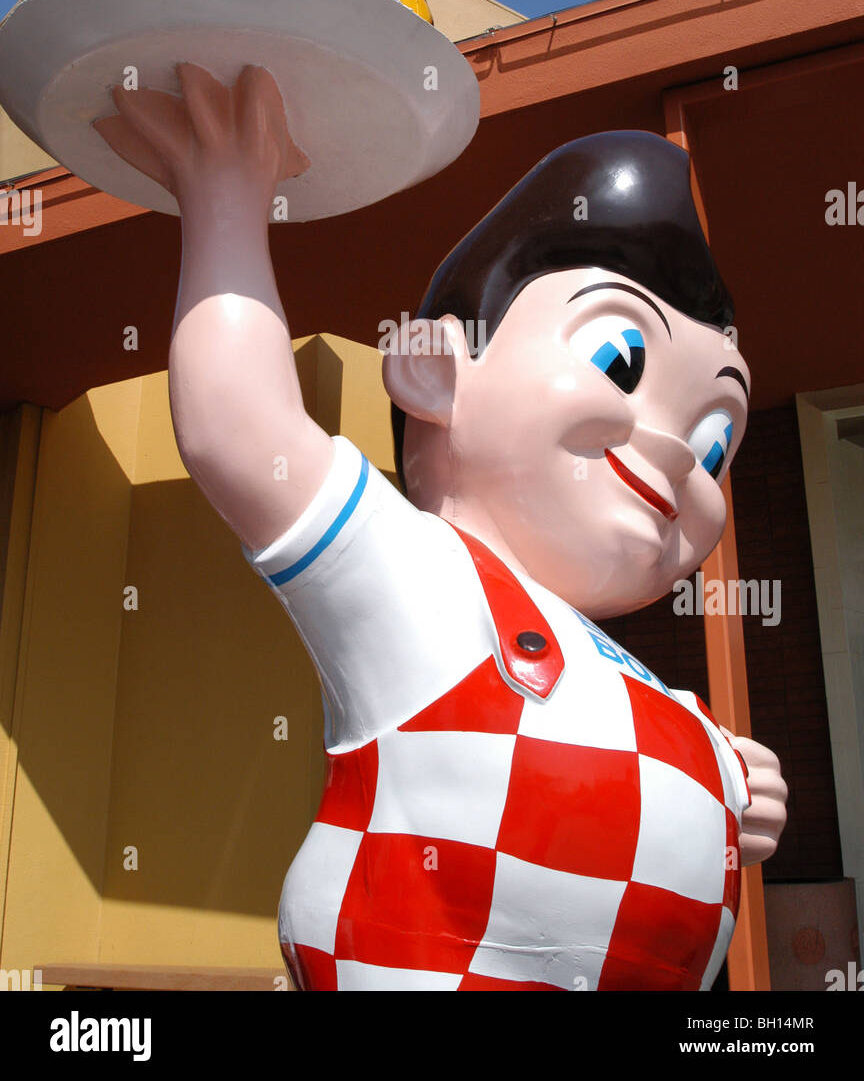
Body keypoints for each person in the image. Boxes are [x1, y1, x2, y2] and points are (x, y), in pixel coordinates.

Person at [94, 63, 788, 991]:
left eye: (715, 445)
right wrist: (226, 192)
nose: (673, 452)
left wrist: (730, 780)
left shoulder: (646, 688)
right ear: (430, 369)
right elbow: (238, 425)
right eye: (619, 357)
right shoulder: (428, 584)